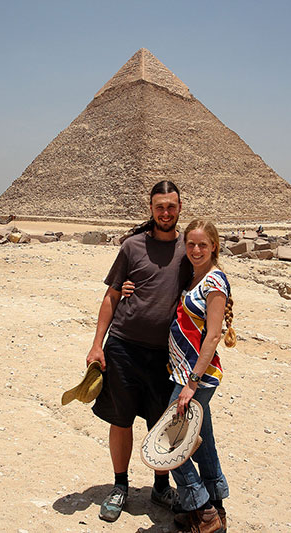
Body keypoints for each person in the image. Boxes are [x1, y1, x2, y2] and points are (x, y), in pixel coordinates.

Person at [87, 180, 191, 523]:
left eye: (171, 207)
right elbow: (112, 296)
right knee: (121, 419)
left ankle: (161, 486)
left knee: (161, 422)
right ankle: (120, 486)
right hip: (124, 347)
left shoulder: (188, 250)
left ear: (180, 208)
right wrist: (96, 345)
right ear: (151, 209)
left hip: (166, 354)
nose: (165, 213)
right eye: (159, 207)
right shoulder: (132, 247)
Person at [123, 218, 235, 532]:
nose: (196, 250)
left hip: (196, 377)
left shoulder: (213, 282)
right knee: (205, 443)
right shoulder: (194, 277)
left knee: (172, 446)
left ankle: (201, 509)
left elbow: (212, 337)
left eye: (203, 244)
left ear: (214, 245)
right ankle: (216, 507)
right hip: (186, 374)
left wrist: (190, 383)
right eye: (191, 244)